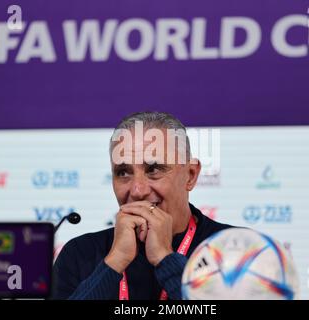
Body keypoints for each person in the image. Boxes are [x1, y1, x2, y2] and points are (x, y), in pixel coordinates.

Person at [52, 111, 234, 300]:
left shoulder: (236, 249)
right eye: (123, 173)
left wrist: (166, 259)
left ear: (190, 175)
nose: (138, 190)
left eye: (154, 170)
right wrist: (115, 261)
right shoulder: (79, 253)